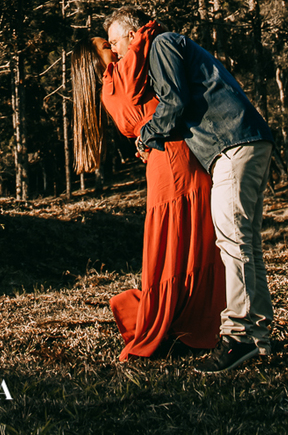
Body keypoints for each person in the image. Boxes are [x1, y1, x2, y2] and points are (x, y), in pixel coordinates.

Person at [105, 5, 275, 373]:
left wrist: (146, 136)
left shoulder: (162, 45)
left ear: (134, 35)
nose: (115, 53)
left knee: (234, 243)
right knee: (246, 243)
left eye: (116, 43)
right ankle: (257, 338)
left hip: (231, 145)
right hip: (249, 142)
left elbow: (174, 102)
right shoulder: (174, 44)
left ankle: (239, 337)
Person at [68, 23, 224, 362]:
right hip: (176, 161)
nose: (113, 47)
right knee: (193, 241)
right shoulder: (118, 76)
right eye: (105, 45)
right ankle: (192, 321)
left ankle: (182, 320)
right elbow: (140, 45)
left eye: (111, 42)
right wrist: (143, 27)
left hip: (163, 165)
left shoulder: (109, 91)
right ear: (96, 60)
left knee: (177, 245)